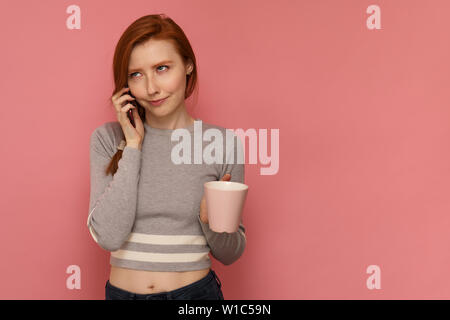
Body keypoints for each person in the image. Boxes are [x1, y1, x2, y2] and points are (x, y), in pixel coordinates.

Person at [87, 14, 247, 300]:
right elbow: (109, 236)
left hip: (195, 296)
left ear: (188, 65)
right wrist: (133, 146)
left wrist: (210, 221)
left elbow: (231, 252)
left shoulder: (222, 143)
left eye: (162, 68)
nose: (151, 88)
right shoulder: (108, 140)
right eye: (136, 74)